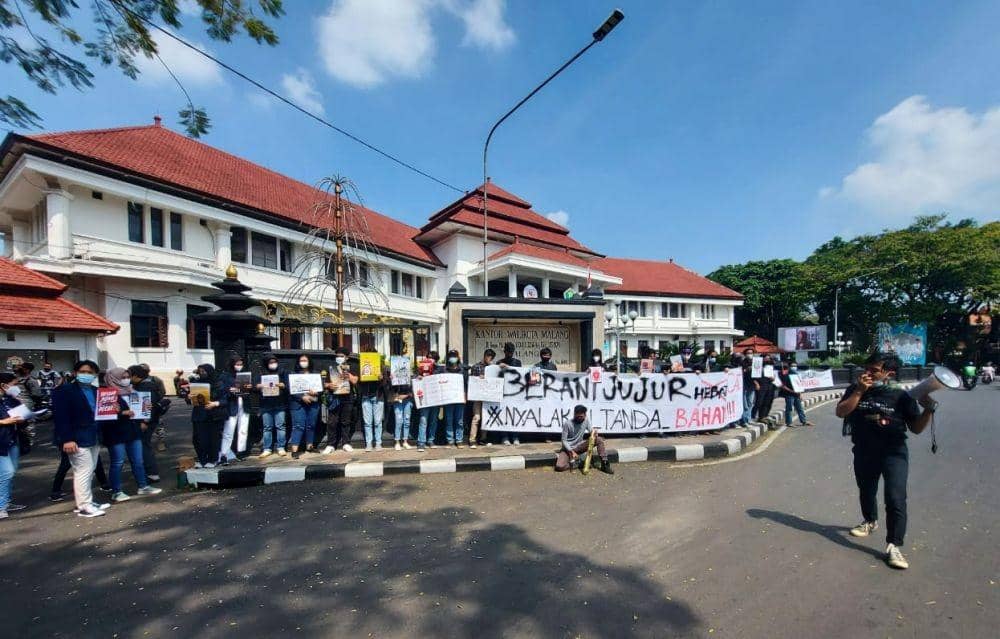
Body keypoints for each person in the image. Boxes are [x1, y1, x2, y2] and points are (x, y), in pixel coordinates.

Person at [835, 352, 935, 570]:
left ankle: (894, 545)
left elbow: (916, 428)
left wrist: (929, 409)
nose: (867, 373)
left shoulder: (901, 396)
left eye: (874, 370)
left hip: (894, 452)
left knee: (895, 497)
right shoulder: (855, 389)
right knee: (866, 490)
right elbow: (841, 412)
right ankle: (870, 521)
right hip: (863, 450)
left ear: (889, 373)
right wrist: (860, 391)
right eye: (866, 368)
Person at [51, 360, 111, 517]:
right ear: (75, 373)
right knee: (83, 470)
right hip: (76, 438)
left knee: (89, 469)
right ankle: (84, 506)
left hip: (94, 435)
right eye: (83, 371)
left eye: (90, 372)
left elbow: (102, 414)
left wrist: (113, 409)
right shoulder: (64, 391)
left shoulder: (96, 391)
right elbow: (61, 417)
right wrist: (67, 439)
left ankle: (86, 501)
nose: (86, 375)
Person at [102, 368, 161, 502]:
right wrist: (121, 413)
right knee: (118, 462)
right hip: (115, 432)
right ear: (113, 378)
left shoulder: (132, 392)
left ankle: (143, 486)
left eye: (127, 376)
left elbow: (139, 410)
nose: (125, 379)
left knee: (138, 461)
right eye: (122, 377)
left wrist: (145, 411)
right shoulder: (107, 394)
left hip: (133, 431)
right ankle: (116, 491)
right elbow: (103, 415)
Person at [128, 365, 163, 482]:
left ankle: (151, 472)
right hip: (147, 420)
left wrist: (144, 421)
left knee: (144, 445)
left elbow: (147, 406)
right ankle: (149, 471)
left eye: (129, 375)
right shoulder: (145, 385)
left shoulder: (145, 387)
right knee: (144, 445)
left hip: (145, 421)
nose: (127, 378)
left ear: (136, 376)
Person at [1, 372, 28, 519]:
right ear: (3, 385)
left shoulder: (12, 400)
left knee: (11, 473)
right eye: (14, 384)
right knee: (7, 472)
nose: (16, 387)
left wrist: (23, 416)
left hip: (13, 439)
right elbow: (5, 420)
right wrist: (3, 422)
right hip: (1, 441)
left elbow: (23, 418)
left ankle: (6, 501)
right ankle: (1, 506)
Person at [555, 405, 613, 474]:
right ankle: (578, 462)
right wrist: (571, 451)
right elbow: (564, 440)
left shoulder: (586, 420)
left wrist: (594, 432)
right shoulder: (567, 424)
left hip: (579, 447)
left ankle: (605, 463)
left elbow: (591, 430)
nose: (579, 418)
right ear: (574, 414)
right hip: (568, 450)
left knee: (599, 439)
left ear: (585, 415)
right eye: (578, 416)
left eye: (581, 416)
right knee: (559, 467)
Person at [190, 364, 228, 468]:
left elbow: (224, 400)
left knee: (213, 438)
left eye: (204, 371)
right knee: (198, 439)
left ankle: (213, 459)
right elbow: (190, 400)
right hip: (199, 414)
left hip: (213, 415)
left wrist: (215, 404)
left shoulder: (218, 383)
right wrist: (189, 397)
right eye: (200, 371)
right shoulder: (196, 383)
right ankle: (202, 459)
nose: (202, 373)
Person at [323, 347, 359, 453]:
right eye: (337, 356)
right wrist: (329, 385)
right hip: (334, 398)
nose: (339, 358)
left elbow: (356, 381)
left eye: (341, 356)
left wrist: (349, 376)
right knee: (332, 422)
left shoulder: (352, 367)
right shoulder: (331, 368)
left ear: (346, 357)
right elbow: (324, 383)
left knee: (346, 421)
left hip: (348, 398)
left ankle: (346, 443)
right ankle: (330, 444)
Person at [218, 357, 252, 465]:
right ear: (232, 364)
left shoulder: (245, 375)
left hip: (244, 404)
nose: (239, 366)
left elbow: (249, 388)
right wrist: (229, 390)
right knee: (229, 430)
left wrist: (249, 387)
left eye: (241, 364)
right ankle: (224, 453)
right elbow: (221, 389)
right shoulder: (225, 376)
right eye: (237, 364)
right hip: (232, 405)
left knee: (243, 429)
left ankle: (240, 452)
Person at [288, 354, 320, 459]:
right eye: (301, 360)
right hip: (298, 404)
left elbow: (321, 388)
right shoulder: (293, 374)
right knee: (298, 425)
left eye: (305, 360)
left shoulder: (315, 374)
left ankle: (309, 446)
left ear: (309, 361)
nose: (303, 362)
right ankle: (295, 450)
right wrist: (302, 397)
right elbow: (291, 390)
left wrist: (316, 392)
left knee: (311, 424)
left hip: (313, 402)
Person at [257, 354, 288, 457]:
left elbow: (288, 385)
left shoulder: (282, 371)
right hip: (266, 403)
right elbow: (254, 386)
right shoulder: (261, 372)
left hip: (279, 402)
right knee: (267, 427)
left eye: (274, 362)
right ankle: (267, 448)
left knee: (281, 426)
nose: (273, 364)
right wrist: (259, 386)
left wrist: (283, 385)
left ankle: (281, 447)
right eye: (270, 362)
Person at [358, 356, 389, 451]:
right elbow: (358, 383)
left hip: (378, 397)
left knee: (378, 422)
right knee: (367, 422)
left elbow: (386, 385)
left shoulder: (381, 369)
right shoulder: (362, 367)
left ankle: (378, 443)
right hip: (366, 397)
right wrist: (361, 375)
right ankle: (369, 443)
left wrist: (381, 378)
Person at [467, 348, 495, 448]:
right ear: (485, 356)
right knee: (476, 417)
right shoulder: (476, 367)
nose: (490, 360)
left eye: (491, 358)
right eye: (489, 357)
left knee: (486, 418)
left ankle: (483, 439)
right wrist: (480, 378)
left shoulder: (492, 368)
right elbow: (472, 381)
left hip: (488, 397)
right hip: (478, 397)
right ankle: (472, 439)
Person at [415, 352, 442, 452]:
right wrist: (418, 378)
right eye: (429, 357)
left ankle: (431, 440)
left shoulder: (439, 369)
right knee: (423, 420)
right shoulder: (420, 368)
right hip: (425, 399)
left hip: (435, 398)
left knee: (433, 420)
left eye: (433, 358)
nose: (430, 359)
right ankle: (421, 442)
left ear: (436, 360)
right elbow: (415, 378)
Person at [497, 343, 522, 446]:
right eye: (508, 352)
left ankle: (515, 436)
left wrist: (507, 367)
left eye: (511, 352)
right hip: (503, 394)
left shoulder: (518, 362)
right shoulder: (499, 362)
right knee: (504, 416)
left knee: (514, 415)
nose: (509, 354)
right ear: (504, 352)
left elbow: (519, 373)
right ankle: (505, 437)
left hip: (515, 394)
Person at [442, 349, 467, 448]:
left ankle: (459, 440)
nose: (453, 358)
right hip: (448, 399)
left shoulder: (462, 370)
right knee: (449, 420)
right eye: (451, 356)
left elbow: (465, 384)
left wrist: (465, 397)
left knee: (459, 420)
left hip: (459, 398)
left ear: (458, 357)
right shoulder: (444, 370)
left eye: (454, 356)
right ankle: (450, 440)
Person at [777, 362, 813, 427]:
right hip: (789, 394)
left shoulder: (796, 374)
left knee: (800, 408)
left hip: (796, 394)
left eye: (795, 366)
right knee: (789, 408)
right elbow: (783, 386)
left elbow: (799, 385)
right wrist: (792, 391)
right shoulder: (785, 375)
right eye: (793, 366)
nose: (794, 367)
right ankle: (789, 422)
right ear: (789, 367)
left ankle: (804, 421)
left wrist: (800, 394)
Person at [390, 361, 413, 451]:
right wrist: (391, 380)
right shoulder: (394, 376)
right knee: (399, 421)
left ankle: (405, 441)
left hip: (407, 401)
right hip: (397, 401)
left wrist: (405, 396)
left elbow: (412, 391)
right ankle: (397, 442)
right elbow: (391, 390)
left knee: (407, 421)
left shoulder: (410, 377)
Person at [753, 356, 778, 424]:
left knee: (768, 402)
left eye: (768, 358)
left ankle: (763, 416)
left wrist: (773, 378)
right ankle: (753, 416)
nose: (767, 360)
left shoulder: (770, 367)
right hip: (761, 385)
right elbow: (753, 377)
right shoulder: (757, 366)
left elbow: (775, 375)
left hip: (770, 385)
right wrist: (756, 384)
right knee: (759, 402)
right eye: (766, 358)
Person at [739, 350, 758, 427]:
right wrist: (746, 370)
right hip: (744, 385)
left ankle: (748, 419)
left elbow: (757, 374)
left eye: (751, 353)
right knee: (745, 404)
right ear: (745, 354)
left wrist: (757, 383)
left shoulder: (756, 362)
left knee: (750, 403)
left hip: (752, 385)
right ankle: (744, 421)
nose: (750, 354)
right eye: (748, 353)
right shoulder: (742, 363)